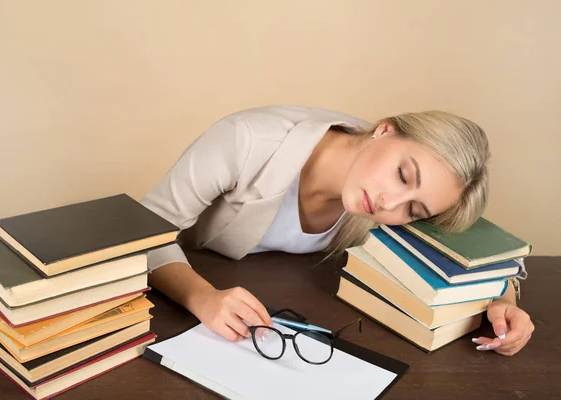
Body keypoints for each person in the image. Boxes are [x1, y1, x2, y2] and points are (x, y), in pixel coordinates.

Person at [141, 105, 534, 356]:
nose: (389, 204)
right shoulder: (245, 140)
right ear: (384, 131)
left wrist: (505, 300)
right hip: (184, 297)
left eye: (414, 209)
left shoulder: (391, 201)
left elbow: (477, 247)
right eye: (402, 174)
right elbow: (142, 235)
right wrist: (202, 297)